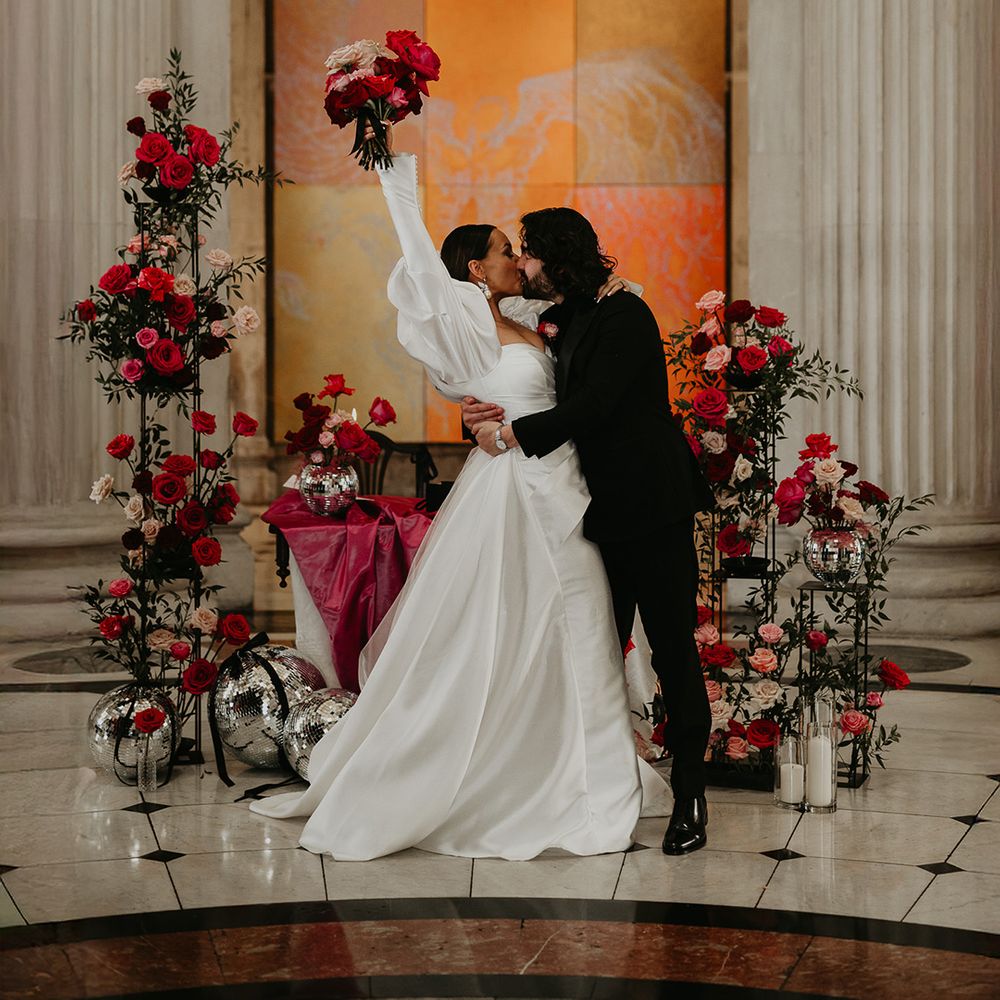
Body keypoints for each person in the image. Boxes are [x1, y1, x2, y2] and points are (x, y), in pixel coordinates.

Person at [250, 134, 668, 861]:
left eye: (522, 248)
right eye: (508, 248)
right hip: (518, 492)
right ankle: (535, 781)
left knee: (570, 627)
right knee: (519, 624)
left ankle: (580, 767)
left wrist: (487, 421)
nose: (519, 259)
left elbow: (561, 392)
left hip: (562, 482)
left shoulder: (538, 322)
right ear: (476, 267)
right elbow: (418, 260)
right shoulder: (468, 318)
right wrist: (394, 176)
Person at [465, 208, 716, 855]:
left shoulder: (626, 316)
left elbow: (592, 406)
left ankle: (691, 794)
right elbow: (487, 345)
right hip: (596, 511)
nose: (521, 264)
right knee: (594, 652)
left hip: (653, 507)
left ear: (558, 254)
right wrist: (474, 402)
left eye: (529, 254)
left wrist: (513, 434)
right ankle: (586, 784)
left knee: (670, 649)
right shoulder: (564, 315)